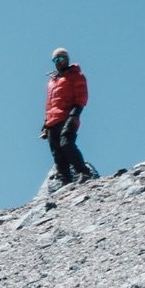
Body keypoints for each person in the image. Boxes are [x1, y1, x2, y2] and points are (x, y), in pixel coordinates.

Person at [41, 47, 94, 185]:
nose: (58, 62)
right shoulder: (52, 82)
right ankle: (65, 179)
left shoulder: (75, 75)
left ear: (67, 59)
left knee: (66, 144)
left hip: (67, 117)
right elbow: (50, 103)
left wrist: (73, 116)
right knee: (57, 152)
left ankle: (83, 172)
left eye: (60, 58)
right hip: (52, 120)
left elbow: (81, 97)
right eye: (55, 60)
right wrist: (45, 123)